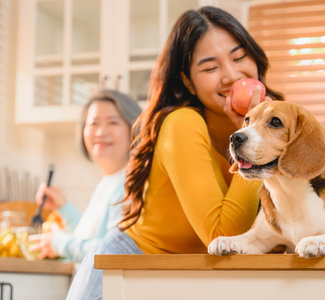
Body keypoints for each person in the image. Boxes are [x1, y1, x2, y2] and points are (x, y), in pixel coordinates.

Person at [66, 6, 283, 299]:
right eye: (210, 68)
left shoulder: (276, 123)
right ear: (187, 80)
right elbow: (224, 238)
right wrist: (256, 141)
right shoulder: (182, 124)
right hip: (125, 274)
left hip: (176, 280)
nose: (231, 75)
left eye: (239, 56)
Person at [29, 90, 142, 263]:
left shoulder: (131, 182)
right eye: (93, 123)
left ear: (133, 127)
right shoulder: (108, 181)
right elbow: (92, 238)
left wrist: (59, 243)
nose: (100, 132)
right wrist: (63, 206)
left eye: (112, 122)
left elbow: (114, 252)